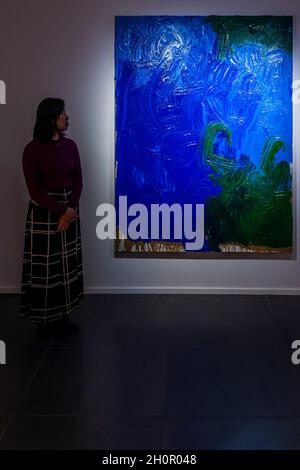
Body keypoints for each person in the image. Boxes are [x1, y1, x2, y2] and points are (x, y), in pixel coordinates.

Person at [19, 97, 84, 333]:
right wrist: (62, 211)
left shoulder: (71, 146)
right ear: (50, 119)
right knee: (46, 268)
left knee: (65, 265)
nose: (67, 117)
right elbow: (34, 189)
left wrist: (71, 208)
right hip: (44, 213)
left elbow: (78, 180)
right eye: (62, 114)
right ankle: (44, 320)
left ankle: (63, 315)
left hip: (68, 208)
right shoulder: (32, 150)